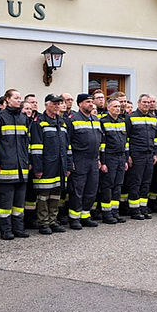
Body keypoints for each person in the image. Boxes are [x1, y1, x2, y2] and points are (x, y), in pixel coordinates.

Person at [0, 89, 32, 240]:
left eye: (20, 98)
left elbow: (26, 143)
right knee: (5, 203)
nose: (18, 100)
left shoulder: (23, 117)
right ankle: (6, 230)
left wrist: (28, 161)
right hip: (5, 167)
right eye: (15, 98)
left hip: (21, 167)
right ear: (7, 100)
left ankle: (18, 228)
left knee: (19, 203)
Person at [29, 94, 71, 235]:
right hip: (46, 166)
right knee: (43, 195)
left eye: (59, 103)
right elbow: (35, 148)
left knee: (55, 194)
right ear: (46, 105)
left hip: (60, 165)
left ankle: (53, 221)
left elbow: (67, 147)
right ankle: (43, 223)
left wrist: (68, 166)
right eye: (54, 104)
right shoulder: (39, 122)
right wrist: (38, 168)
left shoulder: (62, 122)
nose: (57, 106)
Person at [66, 93, 102, 229]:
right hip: (79, 158)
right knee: (77, 190)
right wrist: (71, 161)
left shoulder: (95, 119)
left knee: (91, 189)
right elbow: (67, 142)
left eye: (91, 101)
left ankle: (85, 215)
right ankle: (74, 218)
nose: (91, 104)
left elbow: (99, 140)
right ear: (80, 104)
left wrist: (98, 158)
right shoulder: (73, 119)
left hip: (93, 159)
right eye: (87, 102)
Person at [124, 94, 157, 220]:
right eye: (144, 102)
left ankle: (143, 208)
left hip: (149, 154)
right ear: (138, 103)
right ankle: (134, 209)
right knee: (136, 182)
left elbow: (155, 138)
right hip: (136, 154)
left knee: (146, 183)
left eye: (149, 102)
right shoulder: (130, 118)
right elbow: (126, 138)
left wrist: (155, 153)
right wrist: (128, 156)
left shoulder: (153, 118)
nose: (146, 104)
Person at [98, 98, 129, 225]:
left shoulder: (122, 122)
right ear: (108, 108)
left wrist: (126, 159)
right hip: (109, 158)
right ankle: (106, 213)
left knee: (118, 186)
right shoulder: (103, 122)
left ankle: (115, 212)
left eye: (119, 106)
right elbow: (102, 145)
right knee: (107, 186)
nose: (118, 108)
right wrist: (103, 162)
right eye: (115, 106)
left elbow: (126, 142)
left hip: (121, 157)